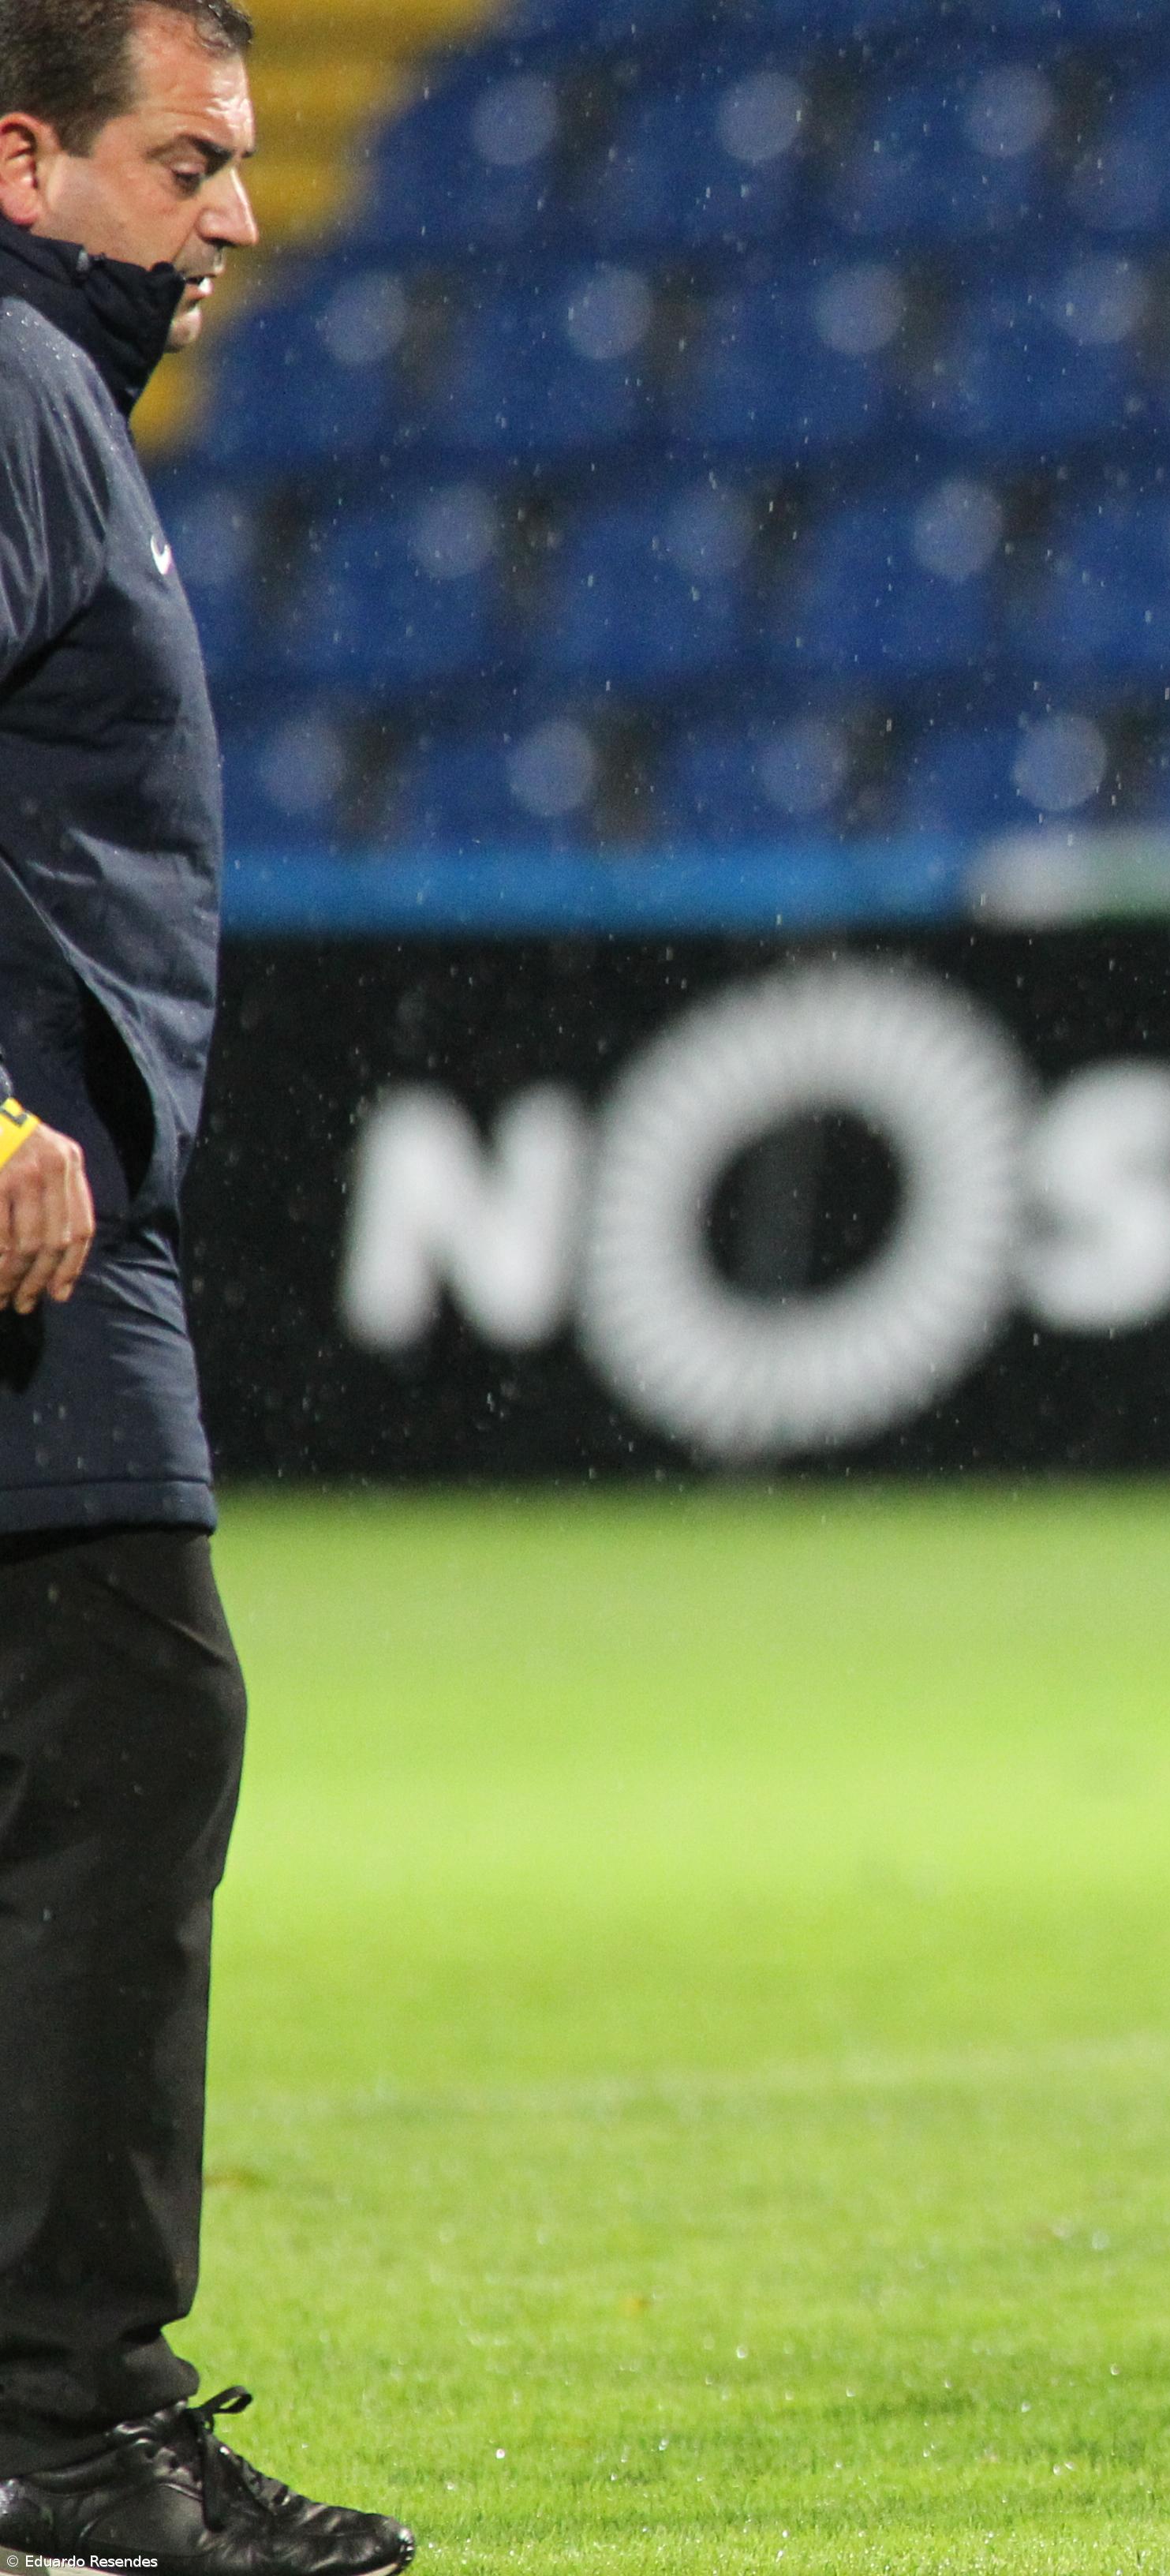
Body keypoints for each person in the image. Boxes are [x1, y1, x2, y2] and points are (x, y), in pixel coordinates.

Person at [0, 4, 414, 2568]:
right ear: (20, 153)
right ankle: (68, 2428)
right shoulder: (14, 389)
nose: (239, 214)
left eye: (252, 161)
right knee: (124, 1759)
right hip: (33, 1238)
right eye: (189, 162)